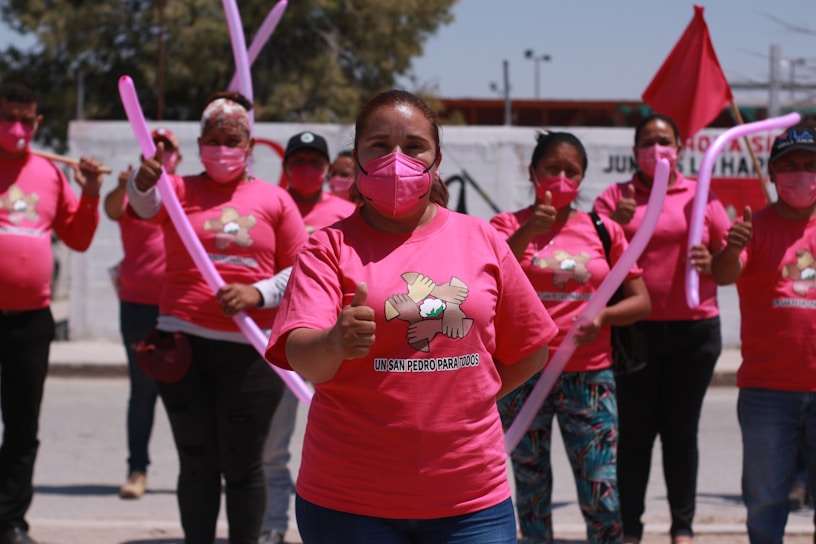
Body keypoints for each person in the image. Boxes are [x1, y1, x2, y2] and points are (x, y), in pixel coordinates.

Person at [264, 89, 558, 544]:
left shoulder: (481, 237)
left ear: (437, 158)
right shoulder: (327, 247)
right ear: (357, 160)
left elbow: (532, 349)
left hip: (471, 502)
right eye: (379, 146)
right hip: (349, 504)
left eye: (414, 146)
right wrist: (334, 344)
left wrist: (467, 398)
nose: (396, 159)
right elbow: (305, 360)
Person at [127, 91, 308, 544]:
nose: (222, 147)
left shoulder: (275, 200)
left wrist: (258, 292)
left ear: (248, 145)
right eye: (213, 139)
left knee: (244, 465)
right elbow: (143, 206)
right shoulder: (178, 188)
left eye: (232, 139)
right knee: (196, 462)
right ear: (200, 141)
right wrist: (143, 180)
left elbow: (302, 269)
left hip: (249, 351)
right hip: (180, 345)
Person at [491, 131, 651, 544]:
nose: (561, 179)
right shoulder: (506, 225)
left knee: (601, 489)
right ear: (532, 173)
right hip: (524, 375)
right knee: (530, 488)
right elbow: (488, 280)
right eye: (551, 169)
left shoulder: (604, 230)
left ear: (582, 179)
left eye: (571, 171)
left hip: (590, 378)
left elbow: (641, 301)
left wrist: (603, 317)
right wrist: (528, 231)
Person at [593, 113, 732, 544]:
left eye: (665, 141)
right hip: (635, 334)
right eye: (648, 142)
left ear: (680, 148)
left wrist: (714, 262)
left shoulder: (702, 195)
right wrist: (614, 222)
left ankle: (682, 530)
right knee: (634, 436)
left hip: (695, 332)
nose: (658, 150)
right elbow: (589, 261)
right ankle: (630, 530)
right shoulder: (614, 197)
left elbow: (728, 268)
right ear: (635, 152)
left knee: (681, 435)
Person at [0, 79, 105, 544]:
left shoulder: (50, 172)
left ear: (38, 121)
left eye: (26, 119)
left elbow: (79, 239)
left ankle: (9, 522)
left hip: (31, 320)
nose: (17, 128)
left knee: (23, 428)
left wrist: (91, 193)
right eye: (8, 118)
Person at [710, 124, 816, 544]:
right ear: (772, 174)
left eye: (810, 165)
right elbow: (722, 273)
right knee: (765, 505)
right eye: (789, 166)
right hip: (767, 391)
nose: (801, 174)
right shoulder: (752, 227)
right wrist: (732, 249)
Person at [258, 132, 355, 544]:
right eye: (298, 161)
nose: (307, 169)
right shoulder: (275, 208)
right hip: (287, 343)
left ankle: (353, 523)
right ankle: (273, 527)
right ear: (285, 168)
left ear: (328, 168)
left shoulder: (349, 212)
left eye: (316, 162)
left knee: (348, 444)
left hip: (339, 344)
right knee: (272, 447)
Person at [105, 128, 182, 499]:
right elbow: (111, 208)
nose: (163, 154)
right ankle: (137, 470)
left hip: (179, 305)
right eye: (156, 148)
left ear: (179, 159)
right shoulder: (134, 193)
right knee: (142, 392)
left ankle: (197, 471)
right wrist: (125, 185)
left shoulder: (185, 193)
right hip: (137, 305)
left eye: (169, 149)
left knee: (188, 392)